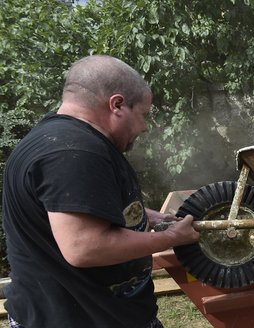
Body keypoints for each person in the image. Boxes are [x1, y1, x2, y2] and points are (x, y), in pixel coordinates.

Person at [2, 55, 201, 328]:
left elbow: (80, 210)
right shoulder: (73, 152)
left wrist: (149, 217)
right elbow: (84, 246)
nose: (143, 127)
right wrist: (169, 238)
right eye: (143, 114)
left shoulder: (56, 139)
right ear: (117, 104)